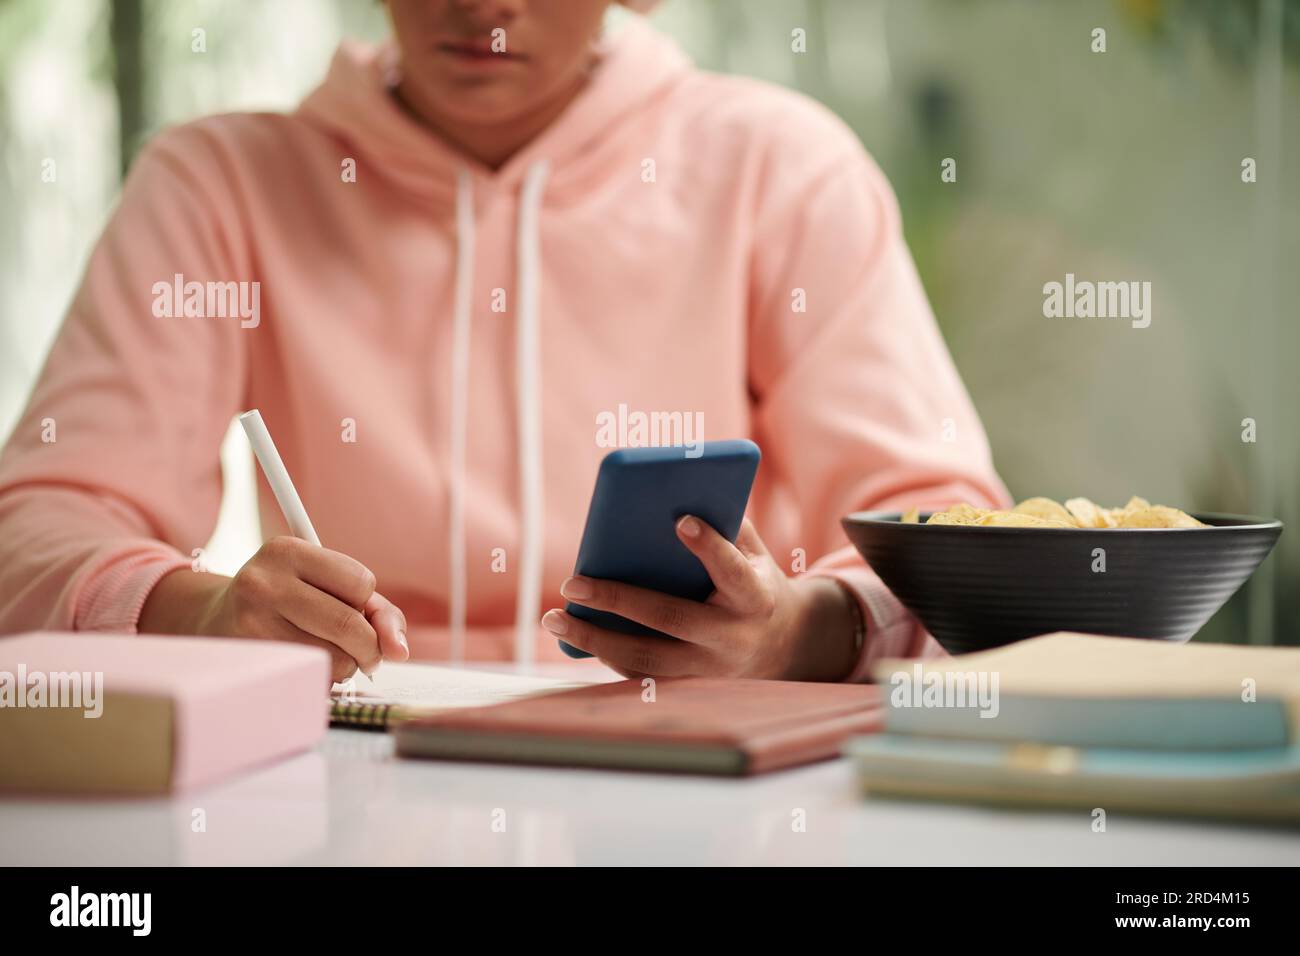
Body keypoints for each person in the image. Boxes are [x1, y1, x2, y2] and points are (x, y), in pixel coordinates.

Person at [0, 0, 1007, 684]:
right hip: (344, 777)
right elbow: (32, 533)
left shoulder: (783, 170)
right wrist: (199, 616)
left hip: (698, 788)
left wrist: (802, 630)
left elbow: (957, 535)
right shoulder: (214, 183)